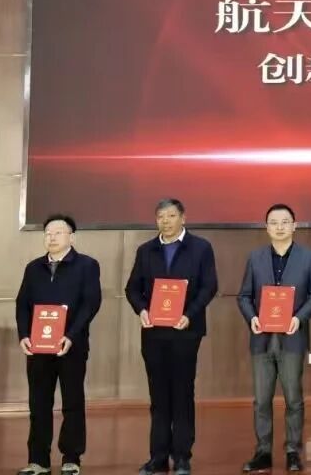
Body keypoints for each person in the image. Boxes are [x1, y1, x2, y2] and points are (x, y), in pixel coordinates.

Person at [125, 198, 218, 475]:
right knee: (158, 395)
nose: (165, 221)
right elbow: (132, 289)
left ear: (183, 218)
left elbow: (209, 286)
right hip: (153, 333)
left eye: (171, 215)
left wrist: (189, 313)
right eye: (160, 216)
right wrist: (142, 310)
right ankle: (157, 457)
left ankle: (182, 457)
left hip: (185, 332)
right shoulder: (146, 250)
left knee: (182, 393)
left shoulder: (200, 247)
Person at [237, 204, 311, 473]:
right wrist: (252, 317)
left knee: (293, 398)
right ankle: (262, 451)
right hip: (261, 339)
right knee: (261, 400)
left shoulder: (308, 257)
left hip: (292, 338)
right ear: (267, 227)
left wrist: (300, 318)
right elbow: (244, 296)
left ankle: (293, 450)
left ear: (294, 225)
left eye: (285, 222)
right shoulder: (255, 258)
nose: (280, 227)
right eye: (274, 222)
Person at [14, 214, 102, 475]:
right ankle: (38, 460)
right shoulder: (33, 268)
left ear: (71, 237)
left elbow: (90, 303)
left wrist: (71, 335)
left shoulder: (87, 265)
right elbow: (22, 304)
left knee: (72, 402)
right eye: (48, 233)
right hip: (38, 347)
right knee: (38, 403)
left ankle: (71, 458)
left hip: (71, 346)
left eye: (58, 233)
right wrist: (24, 335)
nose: (51, 237)